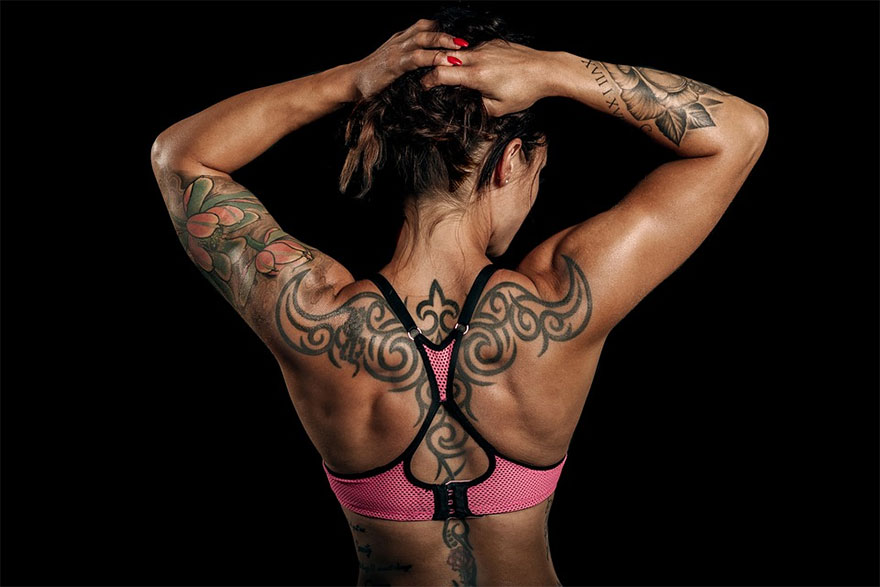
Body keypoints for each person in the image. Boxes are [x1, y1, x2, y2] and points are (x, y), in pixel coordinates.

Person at [150, 6, 768, 585]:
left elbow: (181, 156)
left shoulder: (314, 312)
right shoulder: (561, 302)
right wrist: (554, 70)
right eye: (538, 173)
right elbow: (739, 131)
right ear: (511, 162)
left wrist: (352, 80)